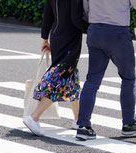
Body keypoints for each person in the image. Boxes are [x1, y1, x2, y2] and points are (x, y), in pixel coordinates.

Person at [75, 0, 136, 141]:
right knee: (128, 78)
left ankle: (83, 126)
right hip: (118, 33)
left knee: (92, 81)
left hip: (95, 31)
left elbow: (85, 9)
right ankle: (129, 123)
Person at [23, 0, 88, 136]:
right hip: (70, 38)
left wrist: (45, 38)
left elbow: (48, 16)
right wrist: (91, 29)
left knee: (71, 75)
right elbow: (76, 19)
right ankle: (34, 117)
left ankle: (78, 120)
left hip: (57, 36)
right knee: (62, 76)